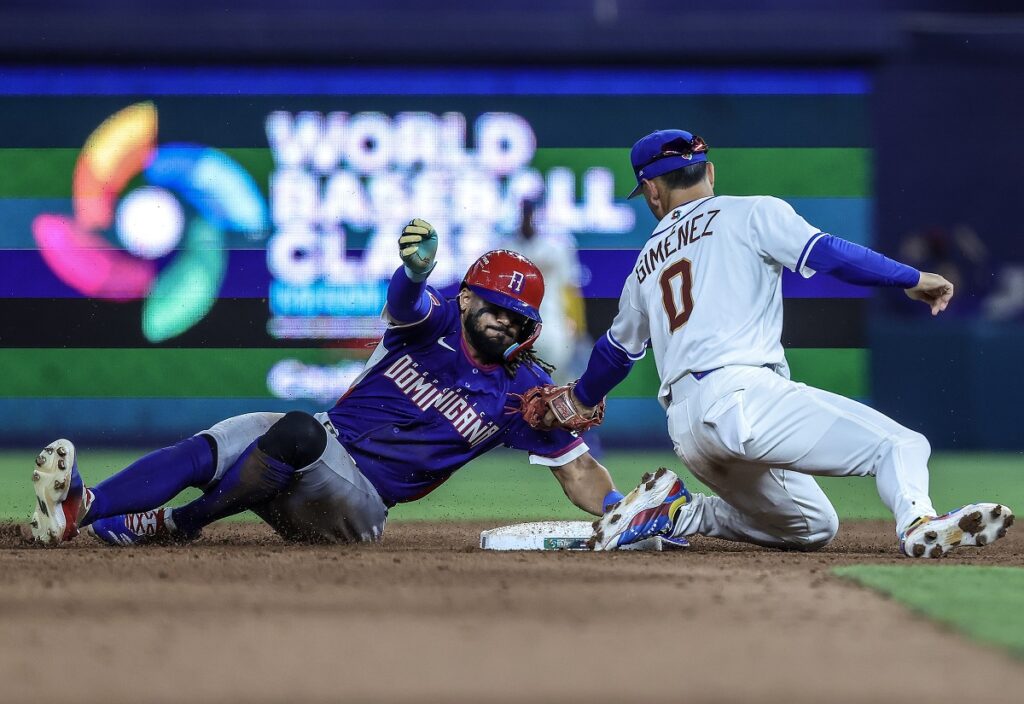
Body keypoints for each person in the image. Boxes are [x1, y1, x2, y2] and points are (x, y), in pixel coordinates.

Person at [543, 129, 1014, 558]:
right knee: (901, 445)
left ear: (651, 191)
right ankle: (918, 521)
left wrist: (579, 399)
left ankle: (678, 512)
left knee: (813, 527)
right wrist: (909, 277)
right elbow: (827, 253)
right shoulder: (751, 212)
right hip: (743, 396)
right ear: (709, 171)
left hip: (687, 430)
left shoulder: (644, 264)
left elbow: (615, 352)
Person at [28, 219, 625, 547]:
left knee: (295, 433)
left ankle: (178, 523)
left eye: (519, 319)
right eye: (496, 308)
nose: (506, 323)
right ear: (466, 297)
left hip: (356, 507)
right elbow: (405, 300)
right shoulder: (435, 323)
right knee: (218, 442)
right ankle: (85, 507)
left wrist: (625, 512)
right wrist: (413, 272)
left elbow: (578, 471)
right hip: (316, 448)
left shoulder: (520, 394)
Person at [504, 198, 586, 384]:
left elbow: (570, 290)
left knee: (555, 388)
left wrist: (580, 329)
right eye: (524, 213)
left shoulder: (557, 247)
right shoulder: (504, 248)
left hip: (553, 328)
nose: (527, 218)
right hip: (515, 330)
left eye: (530, 213)